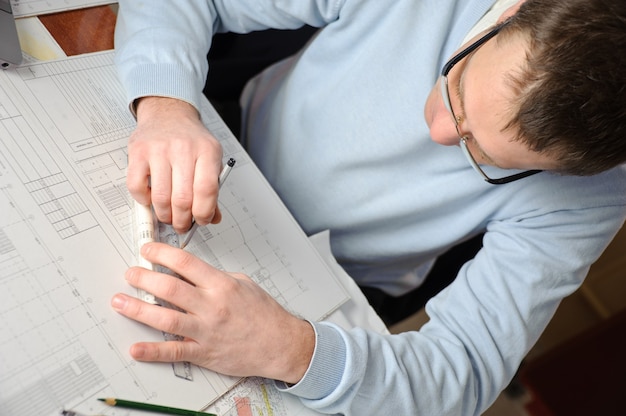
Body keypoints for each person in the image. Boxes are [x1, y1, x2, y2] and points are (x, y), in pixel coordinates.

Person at [112, 0, 626, 414]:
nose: (437, 131)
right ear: (511, 12)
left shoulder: (596, 194)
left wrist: (294, 352)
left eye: (483, 155)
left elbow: (464, 372)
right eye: (458, 85)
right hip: (236, 132)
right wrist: (167, 106)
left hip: (329, 284)